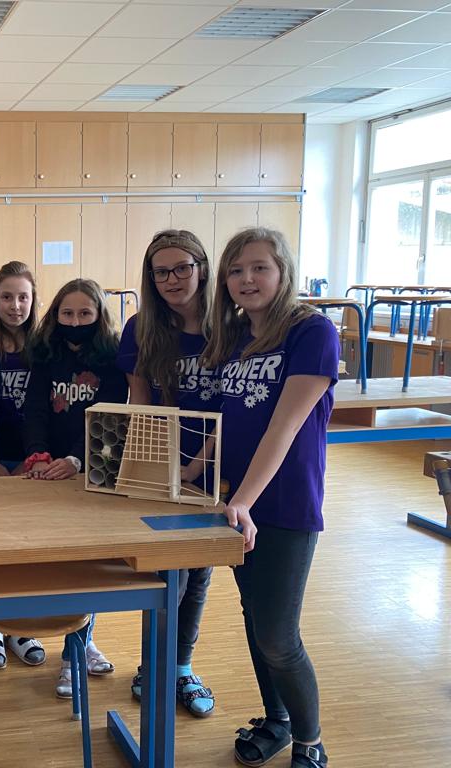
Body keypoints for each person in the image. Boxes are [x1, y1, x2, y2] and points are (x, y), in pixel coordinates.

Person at [202, 227, 336, 768]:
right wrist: (194, 467)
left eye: (259, 267)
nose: (247, 279)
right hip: (240, 504)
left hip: (283, 505)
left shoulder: (312, 331)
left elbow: (284, 427)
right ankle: (277, 720)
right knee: (257, 621)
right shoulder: (236, 335)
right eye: (236, 270)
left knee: (279, 635)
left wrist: (244, 501)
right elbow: (228, 414)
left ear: (283, 271)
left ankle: (310, 740)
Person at [118, 230, 219, 718]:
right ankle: (152, 664)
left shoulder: (231, 327)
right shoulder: (141, 328)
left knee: (198, 571)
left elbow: (233, 406)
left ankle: (181, 666)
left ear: (202, 267)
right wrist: (151, 468)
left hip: (215, 468)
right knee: (167, 575)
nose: (172, 279)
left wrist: (196, 468)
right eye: (161, 272)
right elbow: (140, 403)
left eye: (182, 267)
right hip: (164, 469)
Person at [23, 277, 128, 698]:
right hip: (47, 472)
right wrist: (38, 455)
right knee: (53, 566)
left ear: (99, 315)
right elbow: (34, 409)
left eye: (85, 313)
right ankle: (68, 638)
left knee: (87, 568)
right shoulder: (45, 353)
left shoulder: (112, 358)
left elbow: (111, 416)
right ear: (56, 315)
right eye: (67, 313)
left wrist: (76, 460)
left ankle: (76, 651)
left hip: (90, 471)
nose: (76, 321)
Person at [0, 260, 46, 670]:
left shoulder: (45, 348)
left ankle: (21, 626)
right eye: (7, 297)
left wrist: (31, 461)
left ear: (33, 300)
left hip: (33, 462)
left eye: (23, 297)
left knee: (26, 550)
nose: (15, 305)